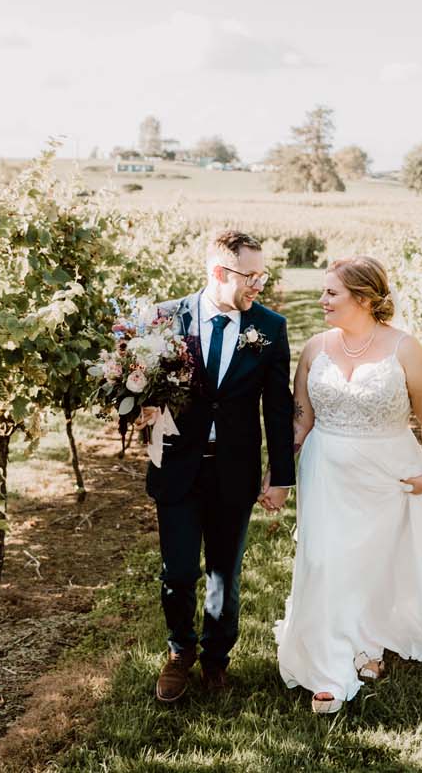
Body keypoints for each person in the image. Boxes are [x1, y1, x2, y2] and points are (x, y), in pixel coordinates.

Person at [273, 255, 422, 714]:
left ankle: (367, 643)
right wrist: (274, 468)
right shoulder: (315, 348)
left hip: (388, 471)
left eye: (332, 293)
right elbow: (301, 419)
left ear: (363, 299)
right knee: (325, 559)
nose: (322, 299)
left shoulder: (405, 349)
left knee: (374, 562)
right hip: (326, 468)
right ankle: (327, 664)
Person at [142, 230, 295, 703]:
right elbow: (141, 389)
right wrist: (141, 413)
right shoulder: (165, 318)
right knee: (179, 571)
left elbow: (277, 408)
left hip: (235, 467)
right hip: (177, 467)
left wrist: (281, 474)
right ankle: (179, 652)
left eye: (262, 275)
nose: (259, 285)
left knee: (224, 576)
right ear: (219, 273)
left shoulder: (269, 327)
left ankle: (216, 659)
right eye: (252, 276)